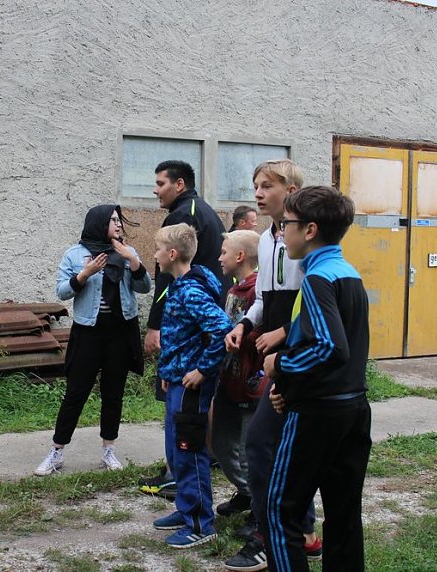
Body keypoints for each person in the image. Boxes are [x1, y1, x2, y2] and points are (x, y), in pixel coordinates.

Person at [262, 186, 371, 572]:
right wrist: (290, 391)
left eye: (285, 225)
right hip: (352, 408)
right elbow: (346, 354)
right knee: (343, 515)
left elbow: (328, 348)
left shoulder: (318, 278)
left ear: (309, 230)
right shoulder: (348, 272)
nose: (280, 232)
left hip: (318, 417)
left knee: (280, 512)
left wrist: (280, 366)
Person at [223, 159, 320, 572]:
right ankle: (298, 530)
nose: (258, 194)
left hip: (301, 349)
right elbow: (265, 296)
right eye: (255, 186)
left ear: (292, 190)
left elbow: (317, 301)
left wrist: (283, 333)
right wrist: (246, 324)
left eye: (267, 186)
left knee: (270, 444)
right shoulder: (266, 238)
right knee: (273, 443)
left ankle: (276, 534)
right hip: (273, 353)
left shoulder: (311, 236)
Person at [34, 205, 151, 476]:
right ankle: (57, 452)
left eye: (119, 221)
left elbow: (144, 287)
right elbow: (62, 292)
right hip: (88, 331)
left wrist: (133, 263)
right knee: (76, 392)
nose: (119, 225)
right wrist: (84, 274)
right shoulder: (75, 254)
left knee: (114, 393)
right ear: (98, 223)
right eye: (113, 220)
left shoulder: (127, 252)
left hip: (121, 332)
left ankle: (109, 449)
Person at [139, 160, 229, 498]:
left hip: (190, 329)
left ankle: (180, 472)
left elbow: (166, 279)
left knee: (183, 409)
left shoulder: (183, 214)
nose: (155, 189)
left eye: (160, 183)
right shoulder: (201, 208)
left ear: (179, 184)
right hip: (197, 328)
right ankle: (186, 466)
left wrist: (154, 325)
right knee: (192, 405)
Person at [150, 223, 233, 549]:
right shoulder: (181, 285)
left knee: (189, 451)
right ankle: (186, 509)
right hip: (177, 379)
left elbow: (222, 329)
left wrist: (202, 370)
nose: (154, 255)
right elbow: (182, 336)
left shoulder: (192, 291)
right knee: (175, 450)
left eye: (158, 249)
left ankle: (200, 523)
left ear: (172, 254)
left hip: (191, 385)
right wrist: (169, 370)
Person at [210, 230, 263, 521]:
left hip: (248, 384)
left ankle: (258, 505)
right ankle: (247, 492)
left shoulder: (257, 291)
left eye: (224, 252)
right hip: (228, 380)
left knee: (245, 450)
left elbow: (261, 335)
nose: (219, 257)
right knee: (221, 443)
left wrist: (244, 337)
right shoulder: (233, 290)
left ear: (240, 256)